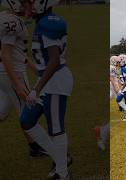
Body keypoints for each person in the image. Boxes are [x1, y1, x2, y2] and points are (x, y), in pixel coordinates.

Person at [20, 0, 74, 178]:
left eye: (30, 3)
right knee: (27, 120)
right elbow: (44, 63)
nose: (26, 6)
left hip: (55, 80)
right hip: (47, 78)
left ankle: (62, 172)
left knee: (56, 128)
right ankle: (61, 159)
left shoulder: (48, 23)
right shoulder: (42, 22)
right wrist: (26, 60)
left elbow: (54, 60)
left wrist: (36, 89)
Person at [0, 0, 47, 157]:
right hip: (12, 73)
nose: (30, 6)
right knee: (27, 111)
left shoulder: (7, 18)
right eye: (26, 3)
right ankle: (35, 146)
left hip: (8, 72)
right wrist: (17, 84)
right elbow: (5, 55)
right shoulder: (12, 22)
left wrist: (39, 71)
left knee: (2, 111)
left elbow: (20, 55)